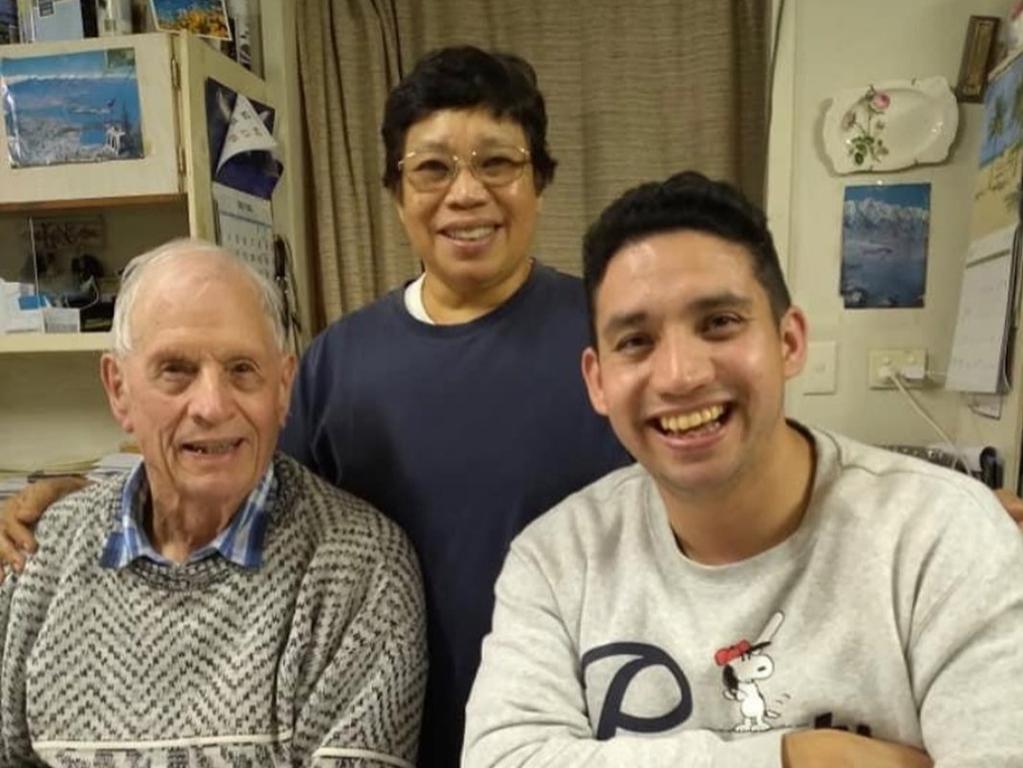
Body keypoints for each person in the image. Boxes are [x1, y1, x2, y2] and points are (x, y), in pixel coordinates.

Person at [463, 172, 1023, 767]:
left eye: (719, 323)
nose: (680, 374)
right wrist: (802, 758)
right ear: (598, 381)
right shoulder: (553, 561)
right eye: (636, 341)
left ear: (788, 342)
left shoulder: (942, 537)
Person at [0, 240, 427, 767]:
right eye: (175, 369)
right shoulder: (41, 552)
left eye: (242, 369)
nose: (211, 405)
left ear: (283, 388)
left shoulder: (358, 568)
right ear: (118, 390)